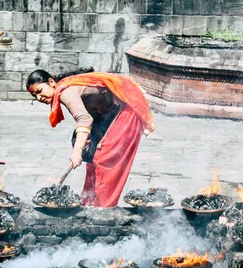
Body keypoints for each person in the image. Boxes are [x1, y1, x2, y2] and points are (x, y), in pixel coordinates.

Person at [26, 69, 156, 207]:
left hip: (128, 109)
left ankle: (103, 208)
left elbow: (84, 119)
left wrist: (77, 151)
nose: (39, 98)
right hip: (108, 112)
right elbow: (90, 115)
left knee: (106, 158)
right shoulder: (63, 88)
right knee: (92, 156)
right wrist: (87, 140)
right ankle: (89, 201)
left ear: (51, 82)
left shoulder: (65, 92)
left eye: (39, 91)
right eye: (35, 96)